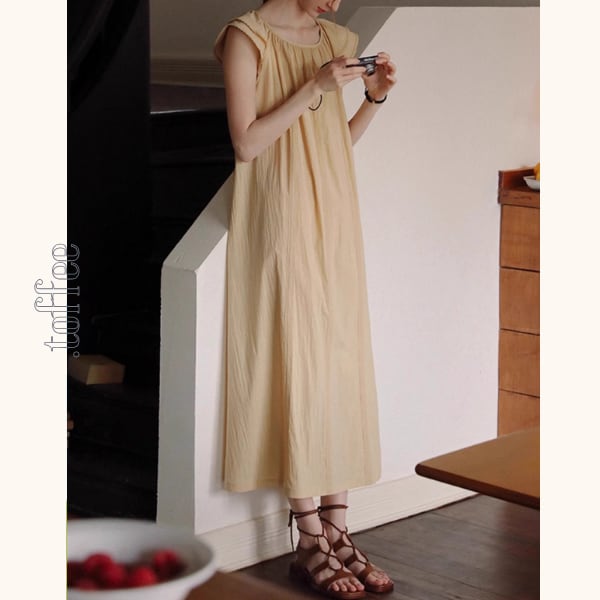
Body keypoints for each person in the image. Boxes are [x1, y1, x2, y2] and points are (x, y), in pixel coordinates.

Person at [214, 1, 396, 598]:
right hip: (282, 214)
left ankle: (339, 530)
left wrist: (372, 99)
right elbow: (248, 144)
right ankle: (310, 536)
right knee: (299, 361)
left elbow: (331, 143)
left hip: (334, 215)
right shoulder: (246, 39)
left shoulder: (336, 37)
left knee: (338, 363)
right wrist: (314, 86)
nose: (338, 3)